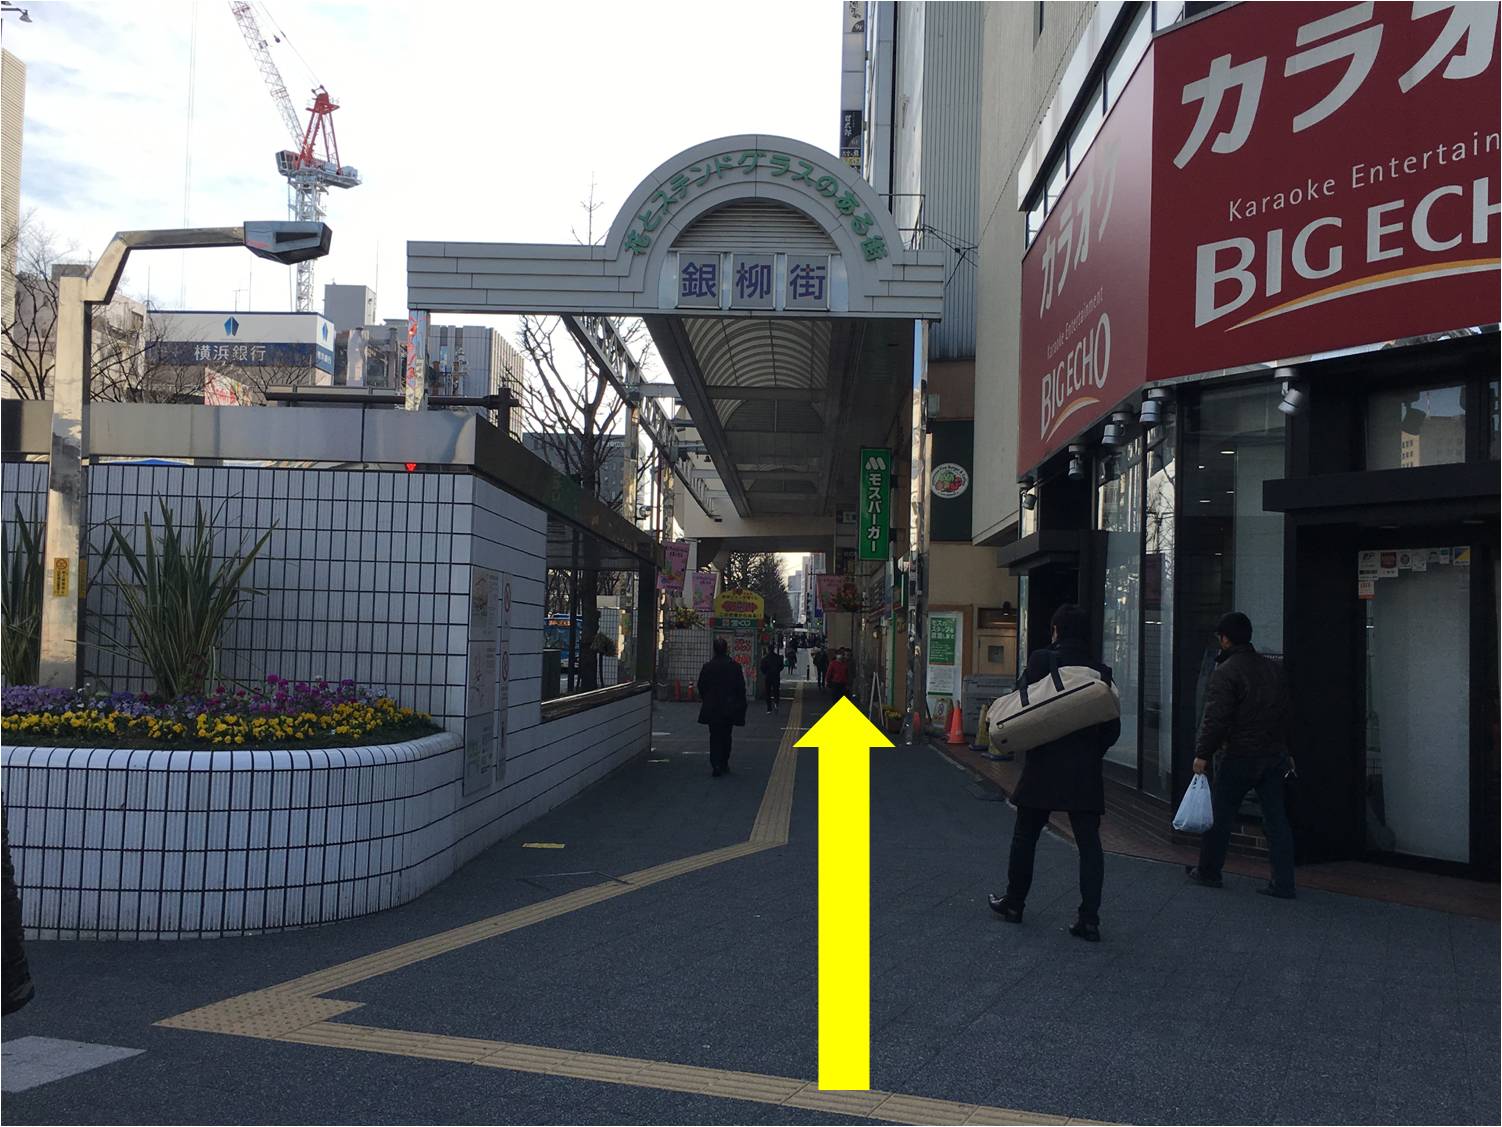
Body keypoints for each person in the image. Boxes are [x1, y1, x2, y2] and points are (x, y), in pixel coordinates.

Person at [989, 604, 1120, 943]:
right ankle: (1089, 919)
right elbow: (1112, 728)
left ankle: (1014, 903)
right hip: (1084, 771)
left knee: (1026, 836)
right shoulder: (1101, 672)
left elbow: (1021, 707)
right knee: (1089, 844)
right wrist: (1090, 752)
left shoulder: (1041, 661)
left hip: (1043, 766)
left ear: (1056, 631)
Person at [1185, 611, 1297, 899]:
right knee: (1276, 820)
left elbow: (1216, 719)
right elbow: (1286, 714)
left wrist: (1202, 754)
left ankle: (1209, 871)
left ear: (1225, 639)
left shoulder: (1226, 672)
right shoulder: (1273, 669)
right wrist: (1286, 751)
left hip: (1240, 755)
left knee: (1221, 816)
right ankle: (1284, 882)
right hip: (1273, 755)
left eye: (1220, 637)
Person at [698, 638, 747, 777]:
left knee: (714, 736)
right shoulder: (735, 667)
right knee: (727, 735)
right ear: (727, 649)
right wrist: (740, 705)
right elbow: (741, 688)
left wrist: (707, 699)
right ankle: (724, 762)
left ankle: (715, 764)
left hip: (712, 707)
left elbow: (701, 686)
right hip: (729, 707)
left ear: (714, 649)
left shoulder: (708, 667)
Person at [759, 646, 784, 713]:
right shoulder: (778, 657)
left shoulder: (765, 658)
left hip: (768, 677)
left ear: (768, 649)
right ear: (774, 649)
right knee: (776, 691)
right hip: (776, 676)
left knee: (768, 692)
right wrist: (777, 671)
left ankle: (769, 708)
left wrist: (766, 673)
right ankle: (776, 703)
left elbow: (762, 668)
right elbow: (781, 666)